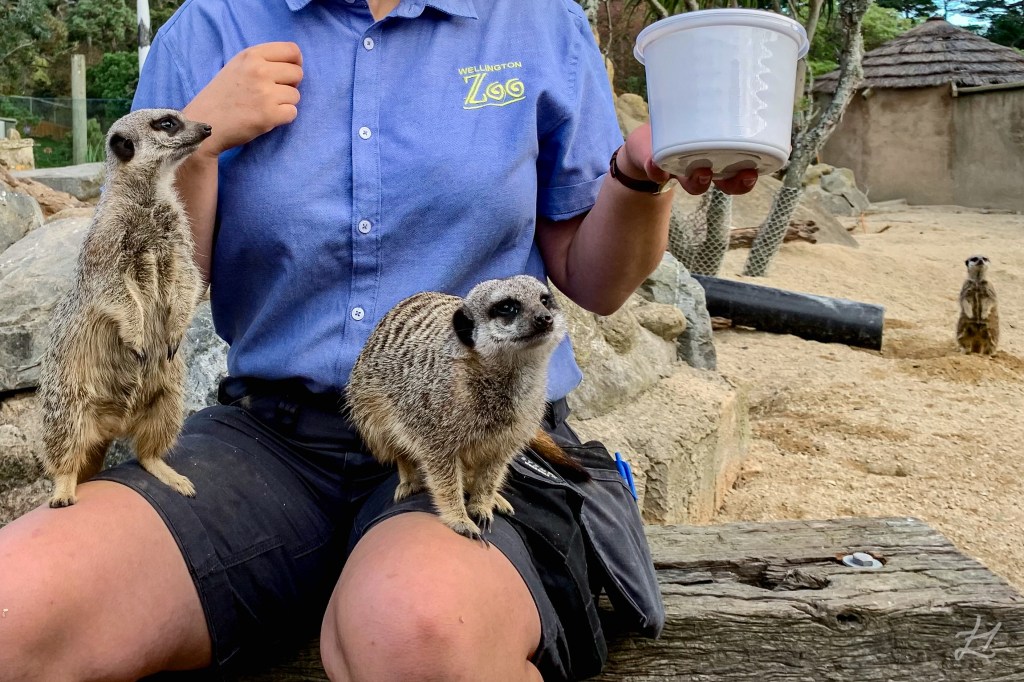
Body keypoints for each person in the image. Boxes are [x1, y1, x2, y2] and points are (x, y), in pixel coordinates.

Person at [0, 0, 757, 679]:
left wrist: (640, 171)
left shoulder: (535, 22)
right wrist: (196, 148)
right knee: (17, 609)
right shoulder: (209, 27)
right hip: (271, 441)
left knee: (415, 631)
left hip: (474, 433)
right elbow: (157, 306)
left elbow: (596, 283)